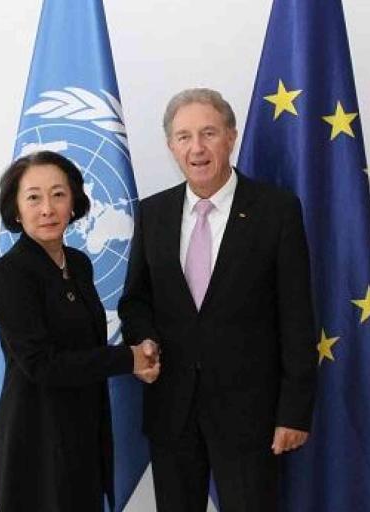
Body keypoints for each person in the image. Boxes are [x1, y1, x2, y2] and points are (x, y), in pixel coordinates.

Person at [118, 89, 317, 512]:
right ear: (171, 146)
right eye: (184, 136)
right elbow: (135, 301)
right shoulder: (153, 214)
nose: (197, 147)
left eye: (208, 133)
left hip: (251, 417)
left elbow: (297, 316)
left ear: (231, 136)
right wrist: (146, 338)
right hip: (172, 411)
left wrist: (294, 411)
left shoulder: (276, 211)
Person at [0, 150, 159, 512]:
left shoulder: (78, 264)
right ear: (16, 210)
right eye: (34, 197)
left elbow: (85, 344)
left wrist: (139, 350)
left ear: (74, 203)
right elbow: (42, 364)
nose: (47, 208)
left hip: (83, 429)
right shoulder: (11, 273)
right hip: (35, 436)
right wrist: (126, 359)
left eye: (58, 194)